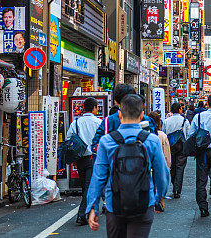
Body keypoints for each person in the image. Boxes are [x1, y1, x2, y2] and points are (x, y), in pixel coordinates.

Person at [85, 94, 170, 238]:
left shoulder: (107, 141)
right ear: (142, 114)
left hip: (115, 205)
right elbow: (162, 174)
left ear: (119, 114)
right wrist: (158, 198)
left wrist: (92, 206)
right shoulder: (152, 140)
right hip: (144, 203)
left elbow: (98, 176)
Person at [66, 97, 102, 226]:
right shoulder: (98, 122)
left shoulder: (76, 123)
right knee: (88, 187)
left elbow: (68, 139)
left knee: (85, 186)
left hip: (80, 158)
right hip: (93, 158)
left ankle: (87, 211)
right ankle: (82, 214)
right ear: (94, 108)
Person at [91, 84, 157, 151]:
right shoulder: (147, 120)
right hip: (143, 160)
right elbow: (155, 147)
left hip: (114, 160)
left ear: (116, 102)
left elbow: (96, 146)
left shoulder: (108, 121)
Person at [162, 102, 190, 198]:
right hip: (182, 146)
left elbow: (164, 133)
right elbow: (188, 134)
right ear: (179, 110)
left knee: (172, 166)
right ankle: (177, 189)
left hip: (170, 146)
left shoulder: (166, 121)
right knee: (180, 167)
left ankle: (175, 184)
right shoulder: (184, 121)